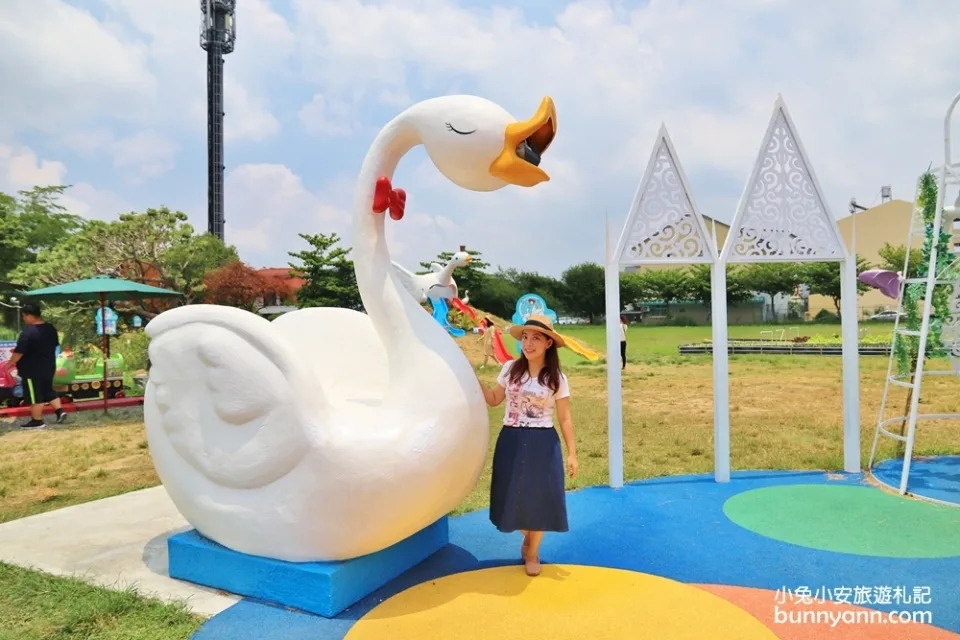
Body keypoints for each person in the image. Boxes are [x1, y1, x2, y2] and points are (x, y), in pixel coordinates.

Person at [477, 314, 577, 577]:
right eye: (525, 337)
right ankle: (529, 536)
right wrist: (475, 382)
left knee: (541, 499)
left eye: (536, 338)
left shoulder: (557, 378)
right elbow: (494, 399)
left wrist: (572, 454)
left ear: (548, 344)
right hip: (510, 439)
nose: (528, 343)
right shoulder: (510, 369)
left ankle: (532, 551)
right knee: (510, 495)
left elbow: (565, 419)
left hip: (543, 442)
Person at [1, 303, 65, 429]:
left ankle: (37, 421)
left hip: (32, 370)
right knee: (48, 390)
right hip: (49, 366)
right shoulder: (50, 328)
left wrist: (9, 364)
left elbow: (19, 352)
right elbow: (54, 345)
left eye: (24, 316)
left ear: (30, 316)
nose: (24, 319)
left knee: (35, 394)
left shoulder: (28, 333)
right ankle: (60, 411)